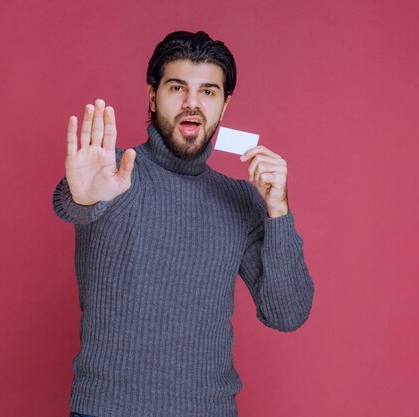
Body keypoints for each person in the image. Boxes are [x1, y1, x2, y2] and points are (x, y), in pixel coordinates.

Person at [53, 30, 314, 417]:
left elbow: (287, 313)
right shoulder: (113, 171)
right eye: (177, 87)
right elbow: (71, 204)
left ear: (225, 106)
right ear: (152, 95)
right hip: (106, 409)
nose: (192, 104)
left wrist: (279, 211)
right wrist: (85, 195)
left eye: (208, 92)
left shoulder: (241, 199)